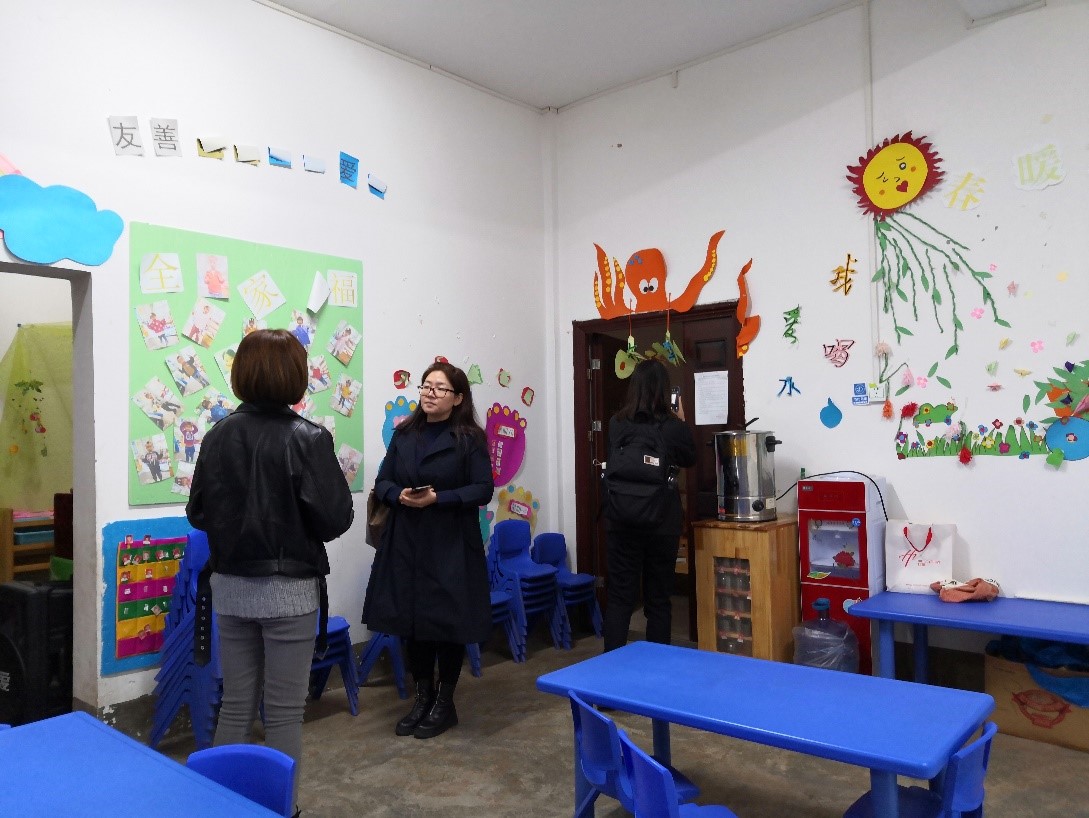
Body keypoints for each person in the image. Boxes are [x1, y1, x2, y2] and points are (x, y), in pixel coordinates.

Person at [185, 329, 353, 810]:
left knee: (235, 704)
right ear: (296, 376)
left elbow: (198, 513)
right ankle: (281, 809)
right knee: (282, 714)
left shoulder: (217, 435)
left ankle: (224, 807)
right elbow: (336, 519)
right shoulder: (309, 438)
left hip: (230, 588)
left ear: (242, 374)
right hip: (289, 593)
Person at [362, 361, 493, 739]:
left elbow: (483, 489)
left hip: (451, 543)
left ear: (458, 398)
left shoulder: (470, 438)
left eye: (439, 388)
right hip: (406, 541)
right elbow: (383, 480)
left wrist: (440, 498)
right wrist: (398, 494)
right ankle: (422, 697)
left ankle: (445, 702)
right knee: (412, 623)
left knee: (448, 625)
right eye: (425, 386)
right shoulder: (405, 433)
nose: (430, 393)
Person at [602, 359, 695, 653]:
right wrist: (681, 421)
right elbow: (690, 458)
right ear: (665, 391)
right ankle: (656, 669)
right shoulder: (672, 427)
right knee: (658, 601)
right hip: (661, 522)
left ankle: (611, 670)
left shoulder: (616, 424)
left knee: (619, 599)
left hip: (620, 520)